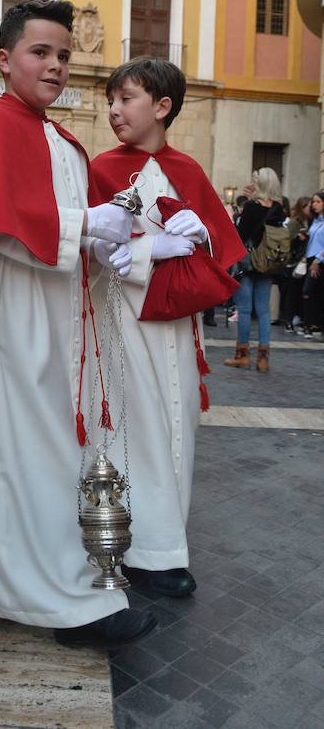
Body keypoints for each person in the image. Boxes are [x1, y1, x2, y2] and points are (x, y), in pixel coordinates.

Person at [0, 0, 156, 649]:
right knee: (19, 451)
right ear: (4, 59)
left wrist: (97, 244)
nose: (56, 65)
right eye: (41, 52)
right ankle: (45, 595)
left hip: (58, 310)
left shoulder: (58, 136)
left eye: (65, 54)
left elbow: (64, 220)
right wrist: (83, 229)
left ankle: (60, 579)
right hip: (15, 311)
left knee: (50, 451)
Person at [89, 57, 245, 598]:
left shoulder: (190, 170)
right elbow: (89, 254)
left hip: (180, 327)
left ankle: (167, 546)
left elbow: (223, 250)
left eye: (125, 99)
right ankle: (128, 546)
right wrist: (149, 246)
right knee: (137, 429)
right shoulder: (102, 168)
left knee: (179, 428)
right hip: (123, 324)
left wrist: (201, 231)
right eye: (111, 100)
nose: (114, 110)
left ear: (162, 107)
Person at [224, 167, 286, 372]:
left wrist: (245, 208)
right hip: (267, 264)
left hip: (248, 263)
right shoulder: (279, 207)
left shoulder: (251, 207)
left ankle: (242, 356)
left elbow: (240, 236)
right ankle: (263, 359)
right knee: (264, 311)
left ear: (259, 184)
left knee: (244, 309)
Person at [282, 196, 310, 332]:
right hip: (294, 262)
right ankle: (289, 320)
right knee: (292, 292)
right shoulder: (295, 223)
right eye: (307, 206)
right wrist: (298, 238)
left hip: (305, 261)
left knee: (301, 292)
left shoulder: (310, 222)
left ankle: (297, 318)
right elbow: (286, 241)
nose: (310, 208)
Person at [299, 190, 324, 339]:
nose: (314, 205)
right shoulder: (315, 220)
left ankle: (311, 325)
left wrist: (318, 260)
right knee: (313, 293)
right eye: (313, 202)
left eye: (318, 201)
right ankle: (312, 324)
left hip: (319, 261)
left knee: (309, 291)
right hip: (310, 259)